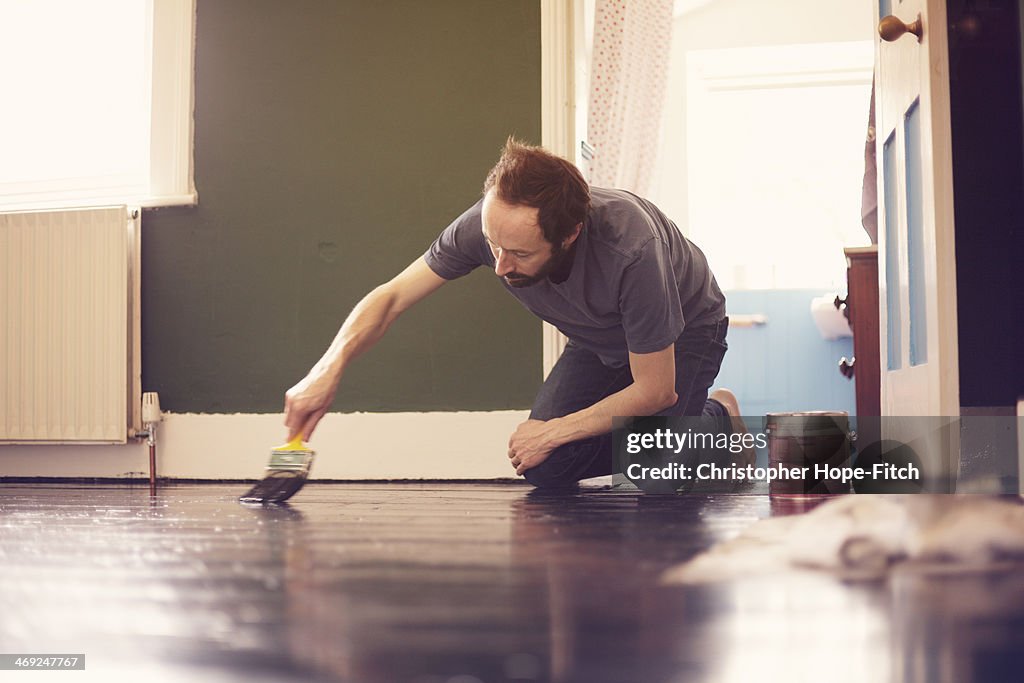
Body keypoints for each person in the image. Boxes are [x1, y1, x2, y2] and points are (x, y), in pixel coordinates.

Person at [284, 139, 747, 489]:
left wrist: (556, 430)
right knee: (542, 467)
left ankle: (717, 414)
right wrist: (326, 370)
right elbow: (391, 297)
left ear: (569, 236)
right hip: (597, 340)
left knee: (652, 476)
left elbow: (654, 389)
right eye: (493, 247)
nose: (501, 266)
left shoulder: (632, 249)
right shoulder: (492, 226)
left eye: (520, 254)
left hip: (685, 332)